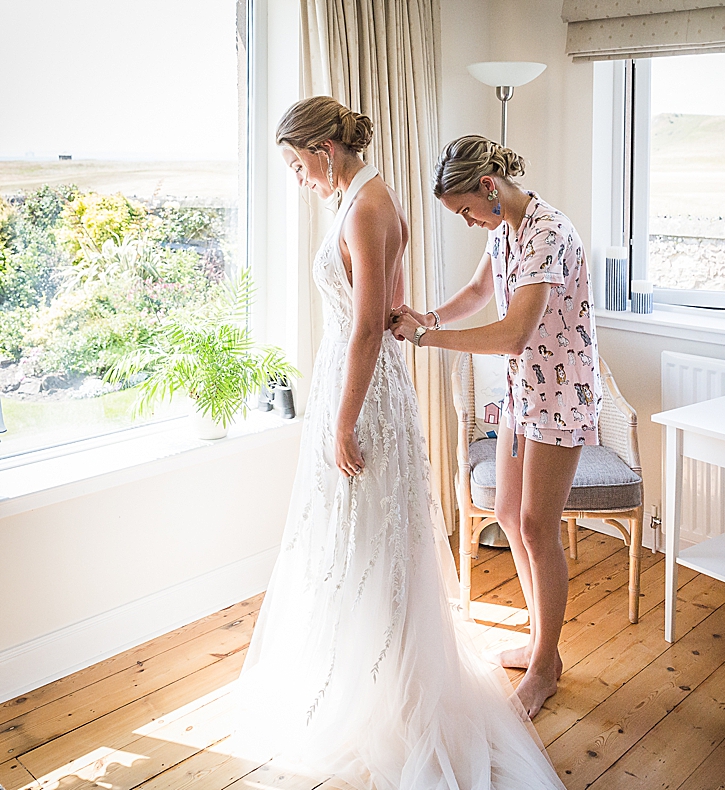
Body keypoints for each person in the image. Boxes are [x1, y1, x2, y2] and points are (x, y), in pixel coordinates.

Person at [234, 98, 566, 789]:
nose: (297, 179)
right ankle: (376, 666)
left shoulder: (373, 206)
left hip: (546, 389)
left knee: (510, 526)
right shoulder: (369, 199)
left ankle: (538, 662)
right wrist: (421, 320)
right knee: (474, 520)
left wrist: (348, 412)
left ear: (324, 149)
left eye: (298, 165)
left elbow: (373, 328)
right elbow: (427, 299)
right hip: (483, 387)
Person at [391, 135, 602, 719]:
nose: (465, 222)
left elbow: (513, 331)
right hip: (522, 392)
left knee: (537, 525)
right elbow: (482, 291)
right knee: (509, 513)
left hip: (560, 394)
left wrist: (428, 338)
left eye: (464, 210)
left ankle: (544, 668)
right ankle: (543, 646)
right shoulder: (501, 230)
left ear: (488, 187)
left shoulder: (547, 233)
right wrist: (428, 315)